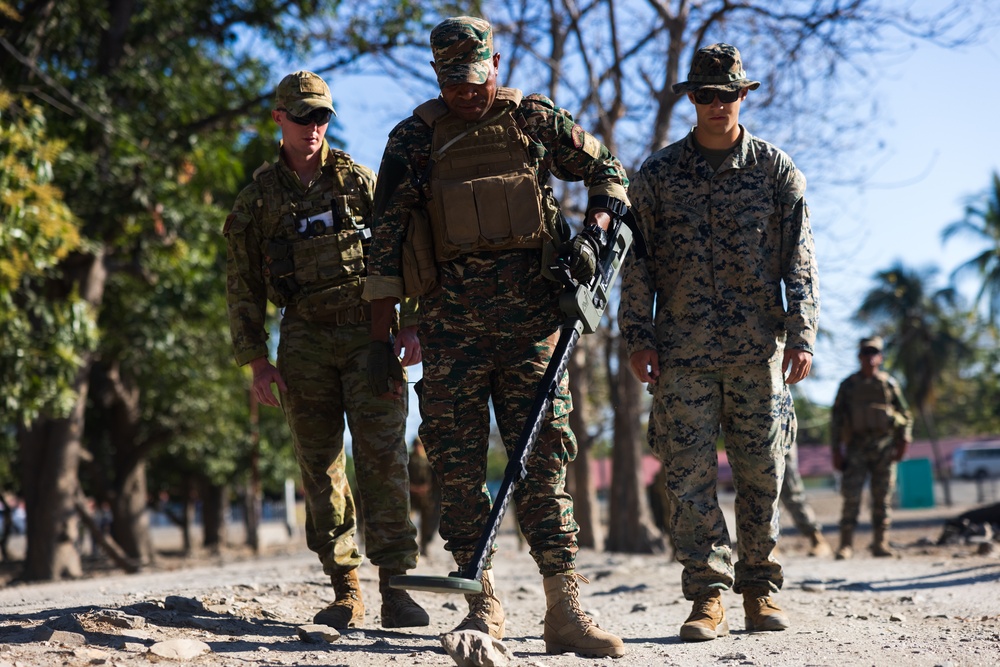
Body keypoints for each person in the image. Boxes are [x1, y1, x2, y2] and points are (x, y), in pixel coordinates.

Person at [363, 16, 628, 658]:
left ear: (496, 64)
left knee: (544, 465)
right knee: (457, 469)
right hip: (449, 333)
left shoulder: (534, 121)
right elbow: (385, 240)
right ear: (436, 74)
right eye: (452, 81)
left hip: (535, 329)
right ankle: (481, 608)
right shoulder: (413, 140)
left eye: (475, 78)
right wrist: (385, 333)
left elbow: (610, 171)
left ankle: (563, 610)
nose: (465, 92)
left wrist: (595, 229)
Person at [619, 43, 819, 642]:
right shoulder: (655, 176)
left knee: (764, 472)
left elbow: (800, 262)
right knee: (687, 476)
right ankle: (708, 594)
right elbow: (638, 266)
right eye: (704, 95)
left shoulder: (776, 171)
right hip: (682, 354)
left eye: (726, 94)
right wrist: (637, 336)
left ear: (743, 95)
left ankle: (759, 589)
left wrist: (801, 334)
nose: (715, 105)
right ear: (690, 99)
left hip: (759, 353)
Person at [223, 70, 428, 631]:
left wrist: (409, 326)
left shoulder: (361, 181)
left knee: (385, 460)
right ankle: (346, 589)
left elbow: (405, 251)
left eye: (322, 117)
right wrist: (256, 360)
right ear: (279, 120)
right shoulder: (258, 200)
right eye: (303, 116)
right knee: (320, 467)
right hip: (304, 340)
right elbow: (242, 284)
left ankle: (398, 590)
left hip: (370, 336)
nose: (314, 127)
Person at [831, 335, 913, 559]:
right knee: (851, 497)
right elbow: (836, 420)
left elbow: (906, 415)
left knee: (882, 498)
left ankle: (880, 543)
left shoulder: (889, 384)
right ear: (859, 357)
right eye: (865, 353)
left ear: (881, 357)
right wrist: (836, 451)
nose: (870, 357)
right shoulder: (848, 385)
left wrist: (904, 441)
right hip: (856, 448)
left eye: (874, 353)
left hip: (884, 447)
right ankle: (845, 545)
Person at [778, 390, 832, 558]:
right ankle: (765, 544)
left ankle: (816, 537)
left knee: (791, 490)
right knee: (753, 492)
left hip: (778, 429)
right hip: (747, 431)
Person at [407, 436, 441, 556]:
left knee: (427, 522)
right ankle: (407, 546)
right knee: (407, 520)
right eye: (415, 445)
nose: (417, 448)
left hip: (425, 496)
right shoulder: (408, 460)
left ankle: (424, 546)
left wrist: (427, 488)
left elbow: (434, 479)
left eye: (419, 445)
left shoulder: (428, 460)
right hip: (410, 495)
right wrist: (412, 487)